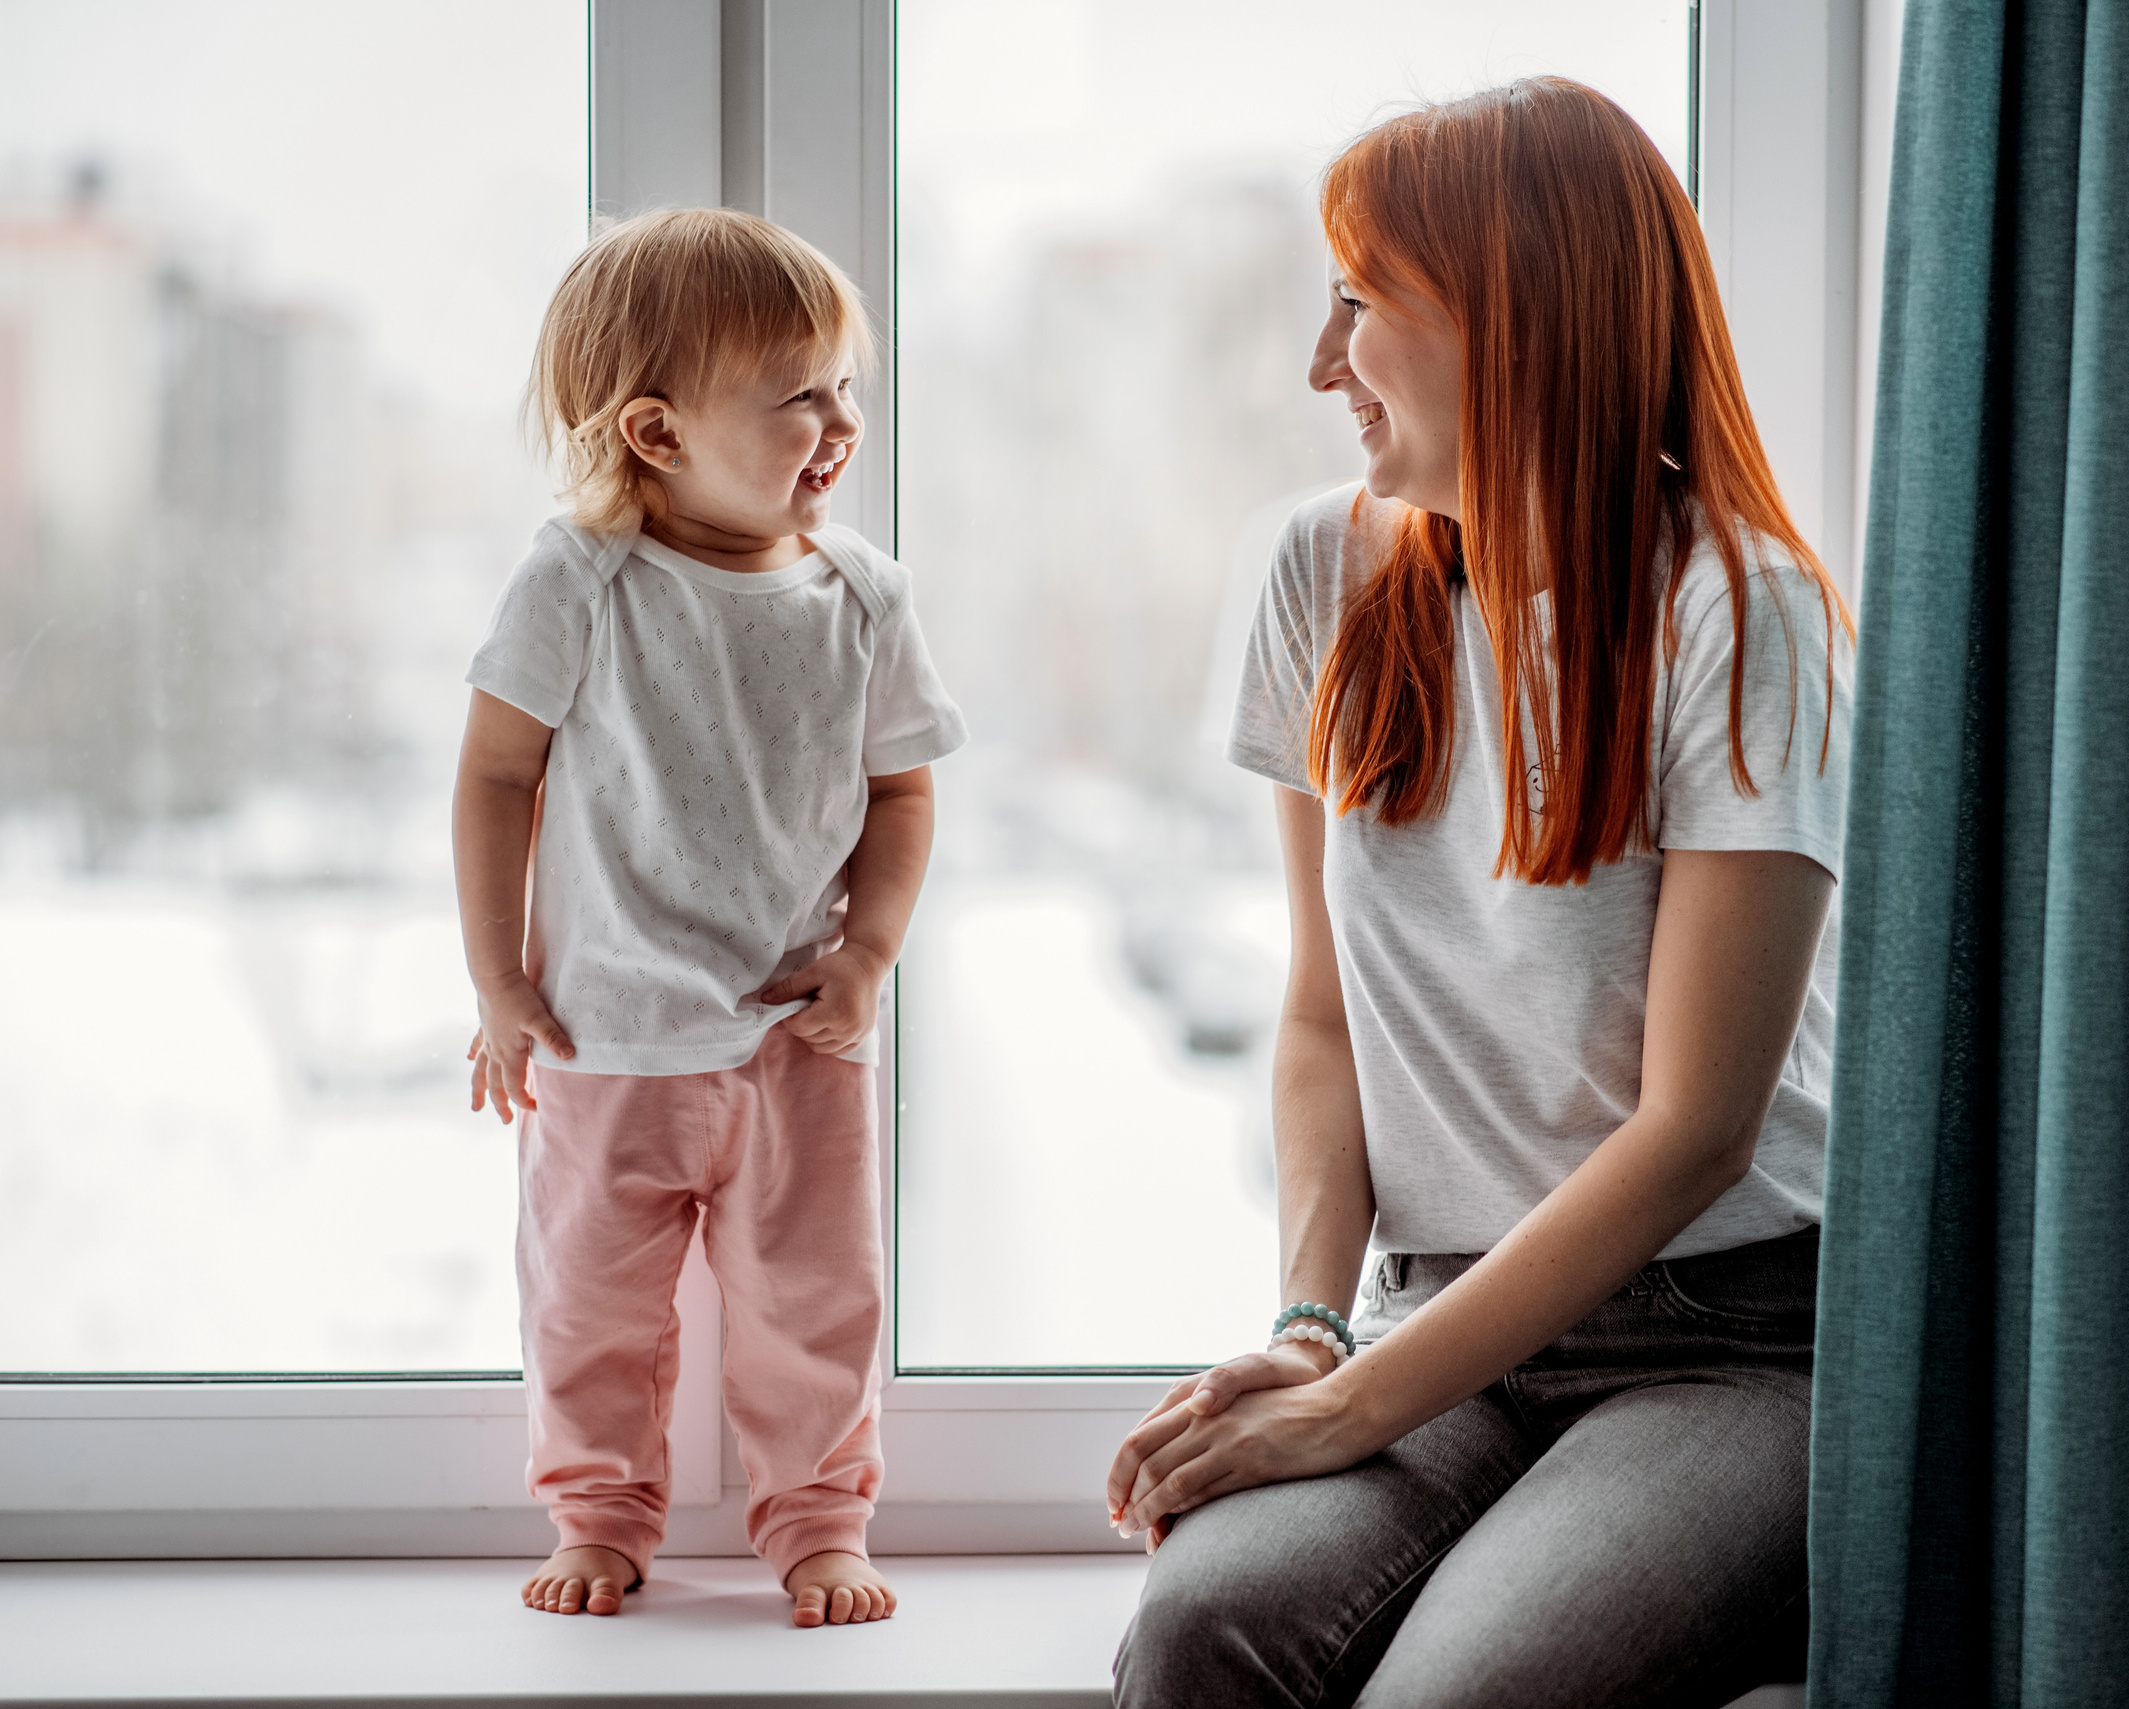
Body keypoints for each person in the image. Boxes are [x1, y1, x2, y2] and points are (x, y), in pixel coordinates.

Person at [1106, 78, 1853, 1706]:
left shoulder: (1743, 611)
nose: (1322, 365)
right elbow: (1319, 1018)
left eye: (1360, 306)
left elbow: (1697, 1129)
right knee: (1193, 1628)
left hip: (1728, 1341)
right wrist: (1313, 1326)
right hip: (1439, 1313)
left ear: (1508, 321)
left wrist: (1350, 1409)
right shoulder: (1326, 569)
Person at [452, 208, 966, 1627]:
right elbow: (498, 774)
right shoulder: (582, 580)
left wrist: (870, 953)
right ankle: (601, 1512)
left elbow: (903, 796)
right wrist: (499, 982)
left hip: (796, 1039)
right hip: (607, 1035)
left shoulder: (865, 596)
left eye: (845, 387)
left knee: (814, 1307)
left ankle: (816, 1522)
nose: (840, 420)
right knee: (589, 1306)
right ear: (660, 434)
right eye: (798, 394)